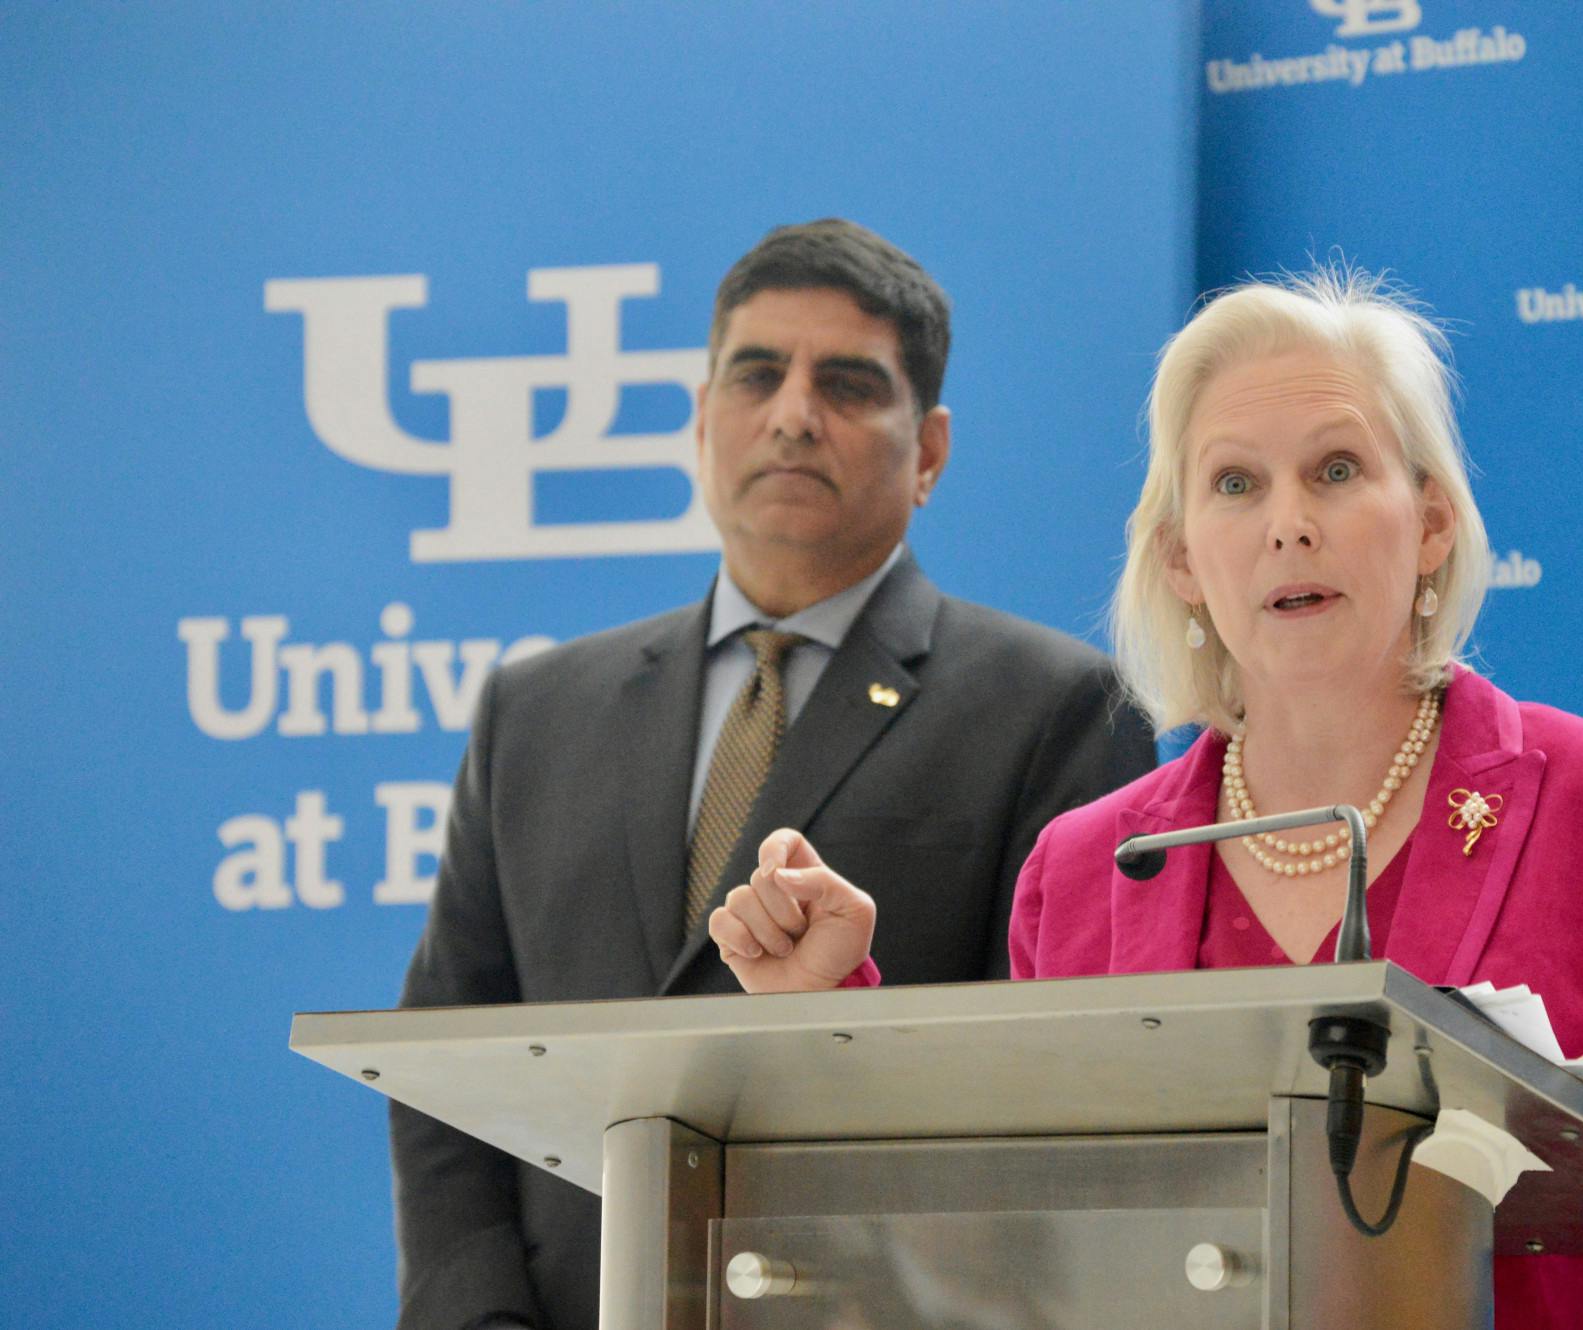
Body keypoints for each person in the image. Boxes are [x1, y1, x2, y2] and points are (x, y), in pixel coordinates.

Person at [709, 270, 1583, 1329]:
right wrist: (826, 1014)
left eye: (1337, 470)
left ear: (1430, 520)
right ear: (1183, 558)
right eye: (1235, 483)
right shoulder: (1083, 864)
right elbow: (1002, 1242)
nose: (1287, 522)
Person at [391, 219, 1157, 1330]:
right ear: (703, 419)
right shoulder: (534, 711)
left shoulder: (1054, 707)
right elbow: (441, 1074)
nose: (793, 413)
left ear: (929, 448)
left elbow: (1060, 1097)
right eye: (758, 374)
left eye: (847, 385)